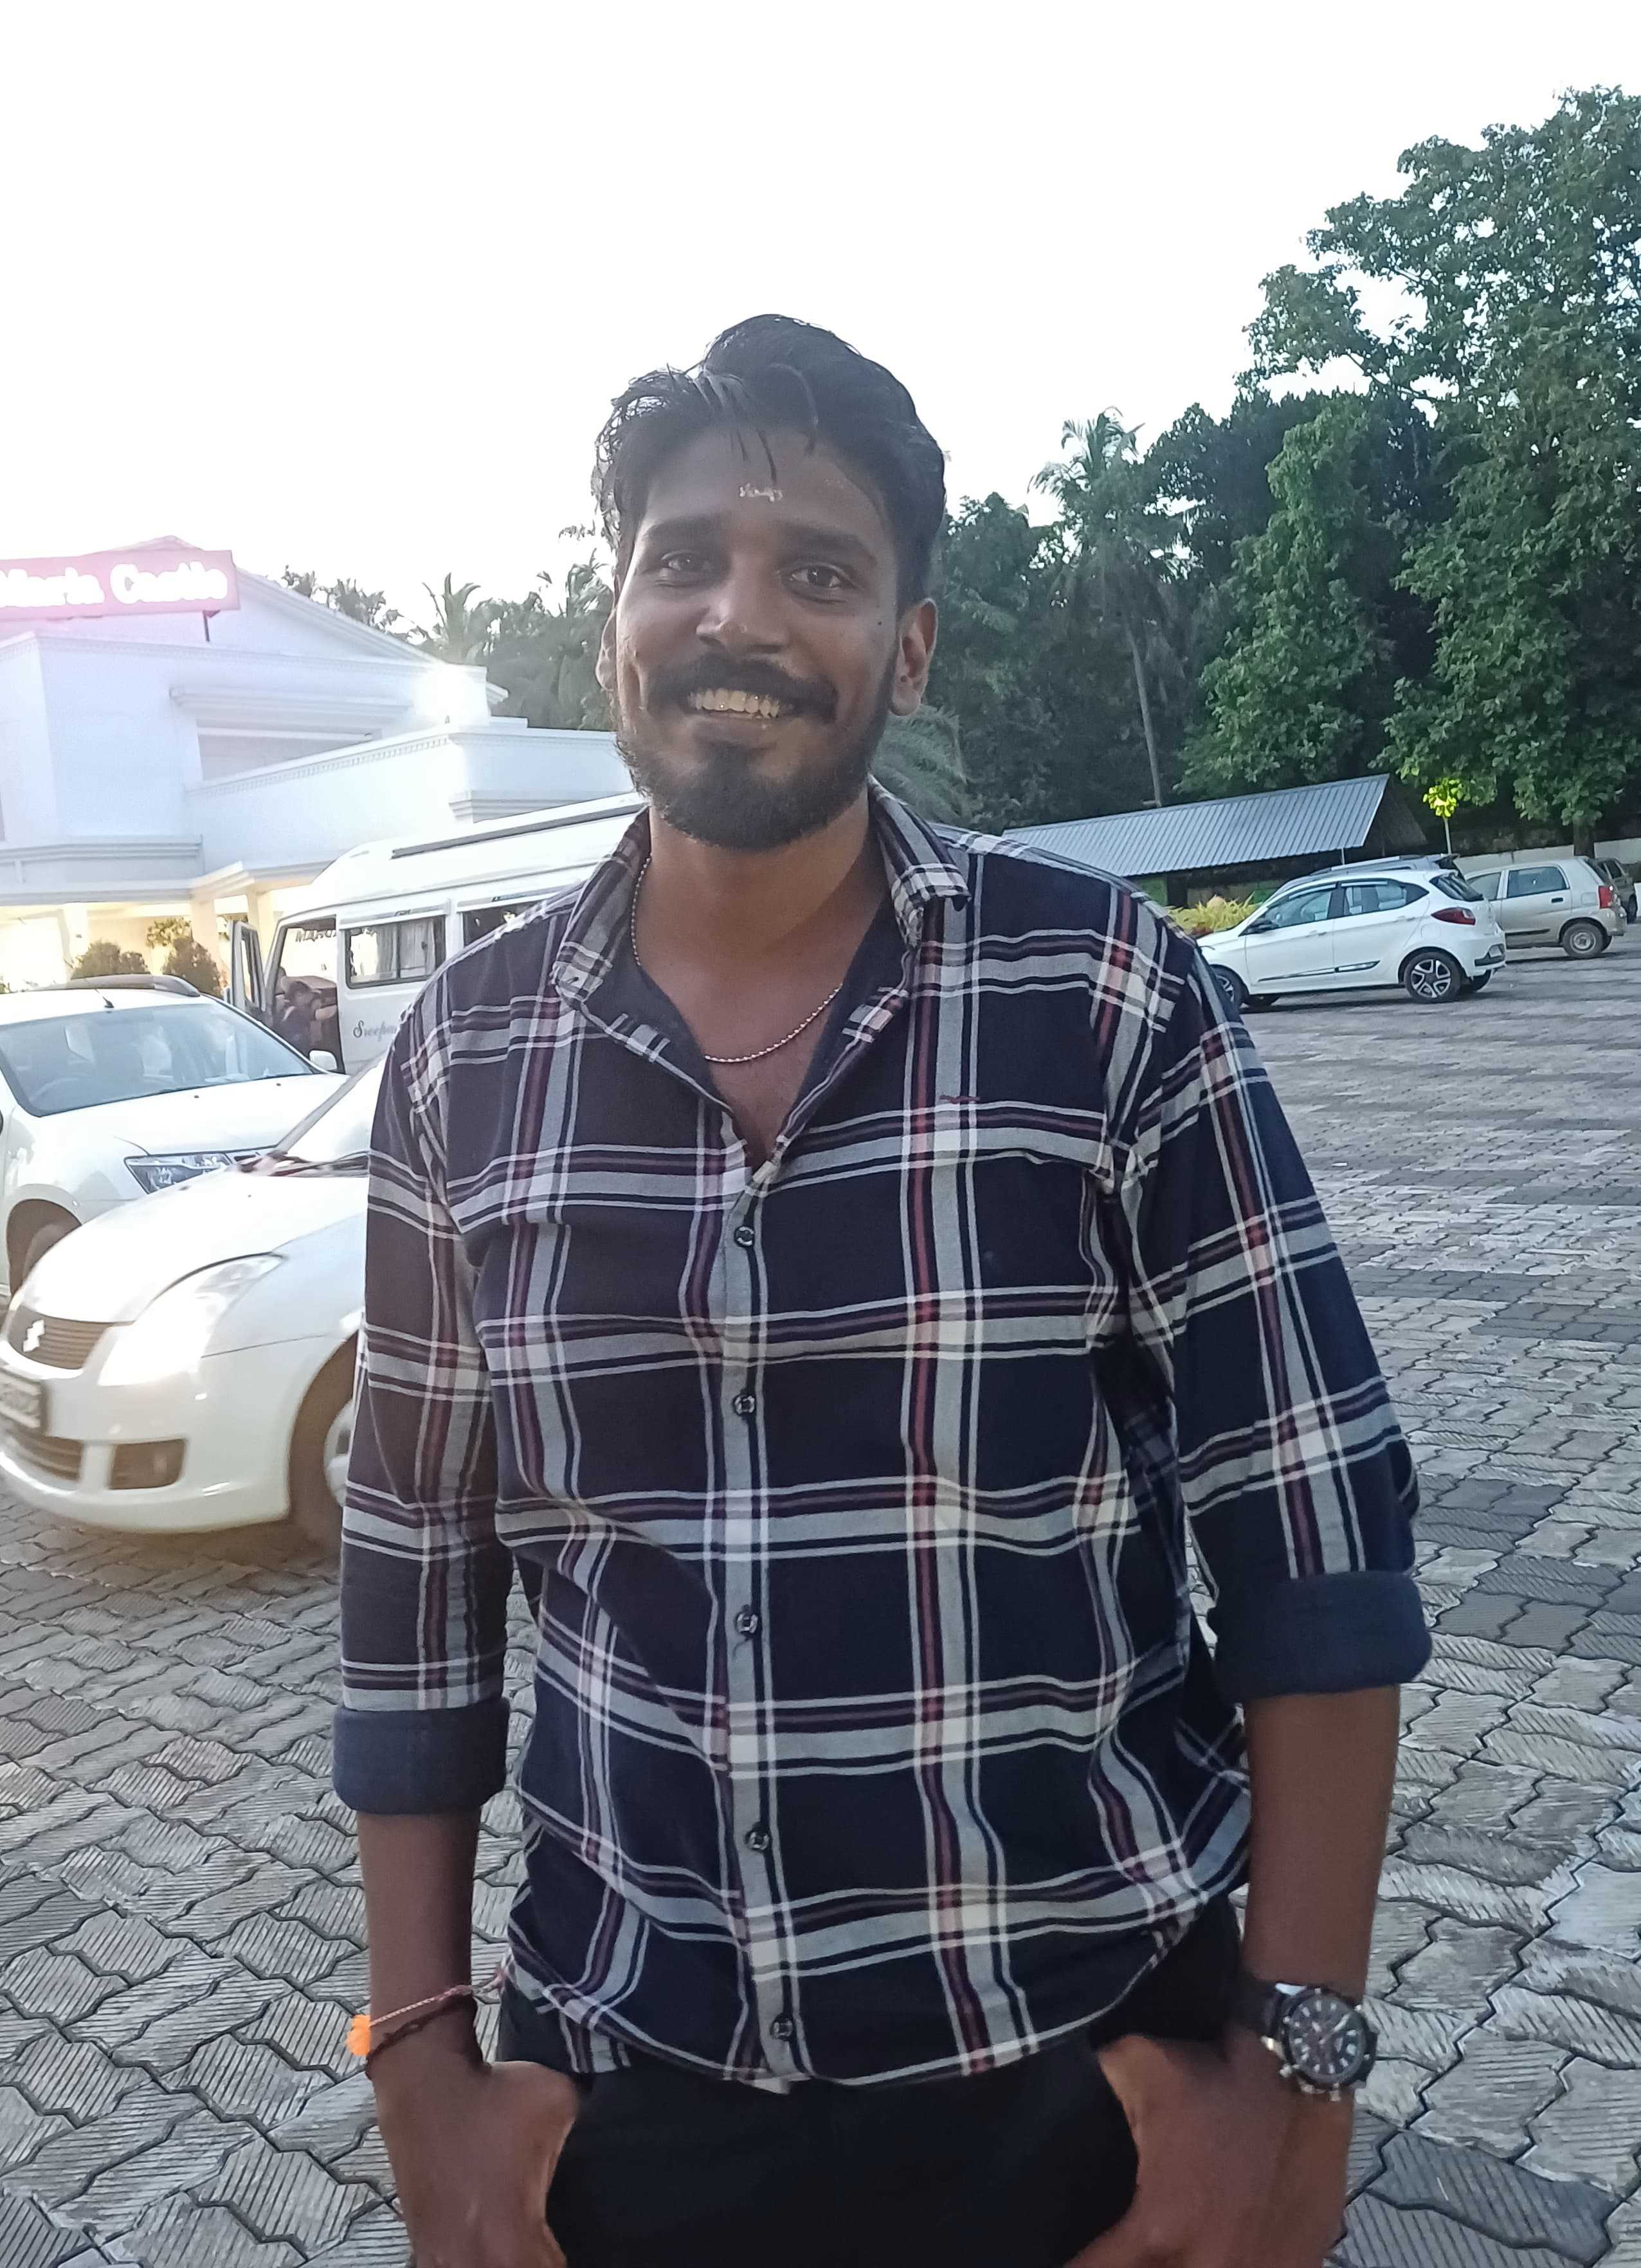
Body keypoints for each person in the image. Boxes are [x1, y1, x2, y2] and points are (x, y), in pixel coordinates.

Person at [334, 316, 1428, 2267]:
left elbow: (1317, 1536)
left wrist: (1297, 2078)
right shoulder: (464, 1058)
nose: (740, 616)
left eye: (820, 571)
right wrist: (421, 2074)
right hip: (629, 2099)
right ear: (613, 626)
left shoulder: (1106, 998)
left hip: (1087, 2092)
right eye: (685, 559)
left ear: (906, 652)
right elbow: (416, 1581)